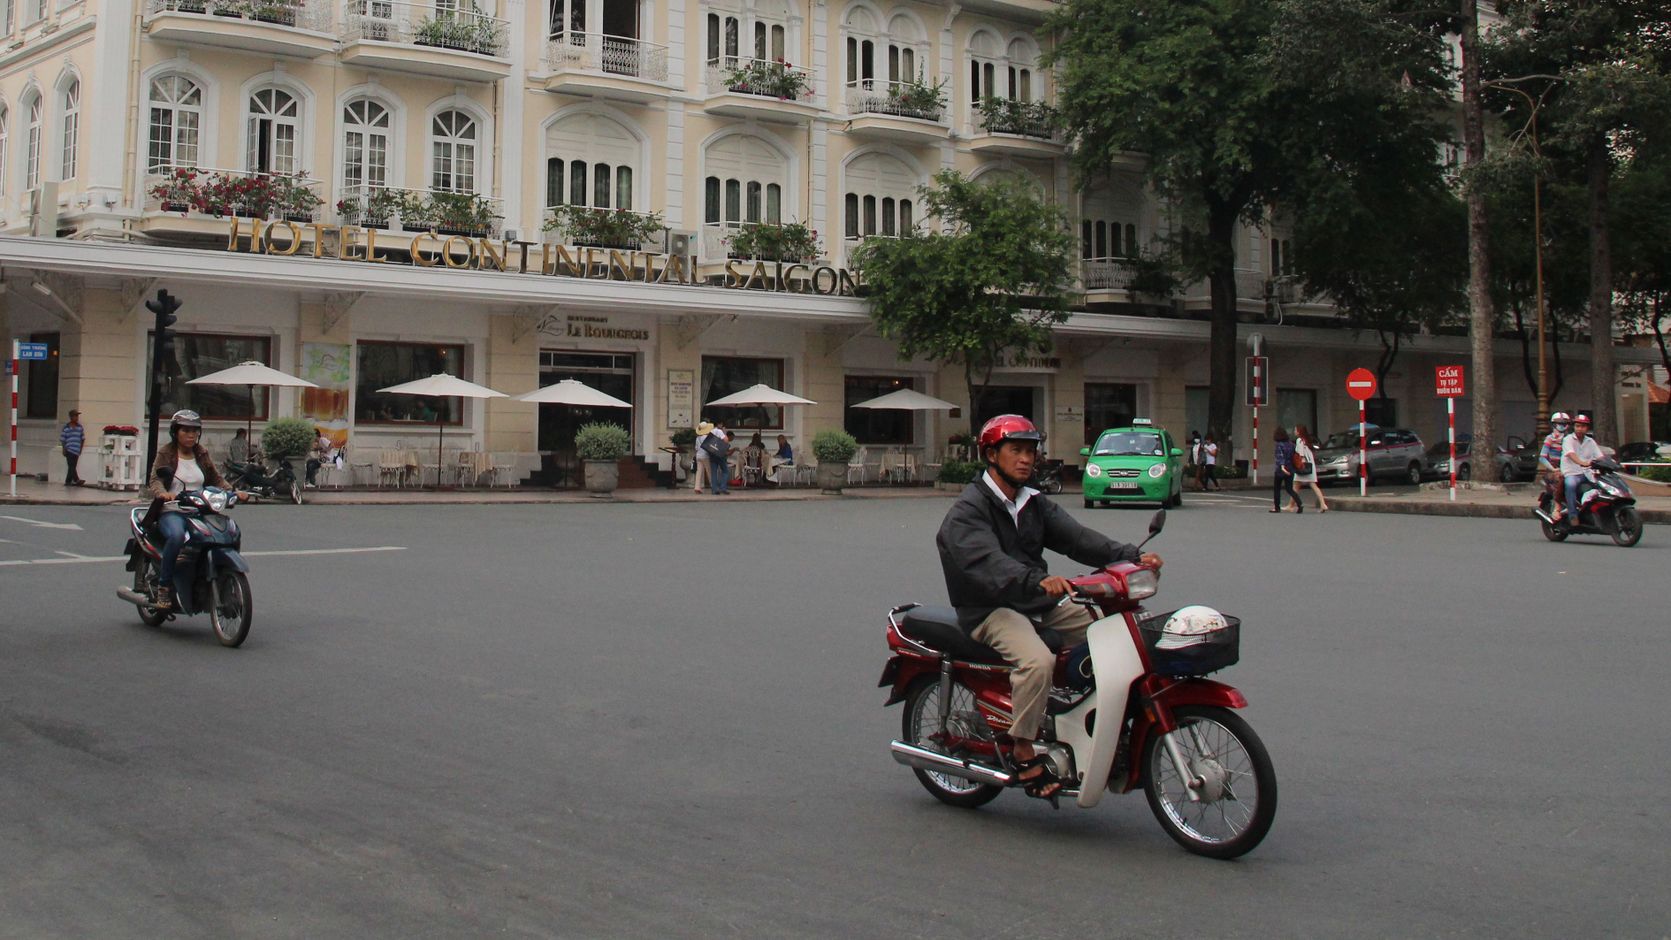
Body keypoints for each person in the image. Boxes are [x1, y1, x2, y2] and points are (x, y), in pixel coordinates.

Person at [936, 414, 1161, 802]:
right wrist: (1036, 581)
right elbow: (988, 563)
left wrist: (1130, 556)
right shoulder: (968, 510)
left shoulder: (1032, 501)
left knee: (1111, 632)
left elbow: (1077, 539)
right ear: (991, 454)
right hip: (990, 608)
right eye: (1016, 450)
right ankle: (1023, 747)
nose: (1026, 459)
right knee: (1037, 661)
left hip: (1036, 599)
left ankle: (1091, 721)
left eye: (1030, 451)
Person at [145, 410, 239, 610]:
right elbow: (155, 480)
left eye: (194, 431)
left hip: (201, 509)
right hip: (173, 510)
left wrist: (234, 492)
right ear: (175, 432)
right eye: (185, 430)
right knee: (177, 536)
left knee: (229, 531)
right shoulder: (166, 453)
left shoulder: (201, 453)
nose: (191, 435)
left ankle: (220, 575)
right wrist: (163, 493)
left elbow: (215, 479)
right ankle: (164, 586)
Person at [1561, 414, 1604, 523]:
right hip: (1572, 473)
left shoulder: (1590, 441)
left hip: (1588, 473)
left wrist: (1612, 464)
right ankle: (1573, 515)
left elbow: (1600, 456)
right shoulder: (1568, 440)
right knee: (1570, 485)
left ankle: (1594, 512)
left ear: (1587, 428)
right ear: (1574, 427)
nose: (1580, 429)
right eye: (1577, 426)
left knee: (1601, 486)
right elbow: (1571, 454)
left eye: (1583, 426)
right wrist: (1582, 463)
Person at [1538, 411, 1571, 521]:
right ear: (1554, 424)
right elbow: (1542, 457)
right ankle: (1557, 508)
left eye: (1564, 423)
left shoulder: (1570, 439)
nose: (1561, 426)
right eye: (1559, 423)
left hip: (1569, 468)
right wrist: (1553, 469)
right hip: (1554, 470)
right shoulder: (1550, 439)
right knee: (1561, 480)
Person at [1292, 424, 1328, 512]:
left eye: (1295, 430)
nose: (1294, 431)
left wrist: (1300, 464)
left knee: (1295, 486)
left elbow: (1301, 454)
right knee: (1313, 485)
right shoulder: (1306, 440)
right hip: (1310, 465)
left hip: (1303, 466)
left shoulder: (1299, 440)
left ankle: (1291, 505)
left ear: (1299, 431)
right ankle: (1323, 504)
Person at [1271, 426, 1299, 513]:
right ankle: (1299, 503)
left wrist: (1282, 466)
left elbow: (1280, 457)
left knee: (1277, 489)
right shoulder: (1291, 444)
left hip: (1281, 470)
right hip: (1291, 468)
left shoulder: (1279, 445)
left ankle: (1277, 507)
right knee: (1289, 488)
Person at [59, 409, 85, 486]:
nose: (77, 418)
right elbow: (63, 439)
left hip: (76, 450)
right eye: (75, 416)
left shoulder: (80, 427)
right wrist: (63, 449)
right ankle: (77, 479)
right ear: (71, 417)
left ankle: (68, 481)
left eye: (77, 416)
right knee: (71, 466)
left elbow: (82, 439)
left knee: (72, 466)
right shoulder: (66, 427)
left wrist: (80, 449)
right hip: (69, 449)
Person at [706, 426, 733, 495]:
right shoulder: (719, 431)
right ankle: (723, 488)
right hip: (720, 454)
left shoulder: (710, 432)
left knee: (714, 472)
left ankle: (714, 489)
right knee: (725, 471)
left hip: (712, 453)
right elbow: (726, 440)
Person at [691, 420, 715, 492]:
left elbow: (696, 448)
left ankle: (697, 487)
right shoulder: (707, 437)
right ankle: (713, 486)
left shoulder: (697, 438)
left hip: (698, 455)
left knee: (699, 471)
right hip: (705, 456)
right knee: (709, 471)